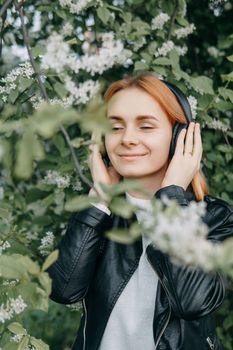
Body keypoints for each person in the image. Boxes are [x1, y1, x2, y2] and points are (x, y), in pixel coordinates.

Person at [46, 72, 233, 350]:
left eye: (146, 126)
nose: (128, 139)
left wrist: (170, 200)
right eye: (116, 127)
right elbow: (63, 290)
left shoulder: (217, 217)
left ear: (180, 137)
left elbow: (192, 302)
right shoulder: (102, 213)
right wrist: (99, 198)